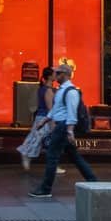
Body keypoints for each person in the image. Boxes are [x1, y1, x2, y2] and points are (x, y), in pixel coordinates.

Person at [27, 61, 98, 199]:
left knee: (52, 156)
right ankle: (93, 181)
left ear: (65, 75)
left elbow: (71, 113)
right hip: (62, 126)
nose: (55, 75)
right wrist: (45, 120)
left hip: (63, 127)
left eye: (58, 73)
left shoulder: (71, 92)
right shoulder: (61, 90)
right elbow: (56, 109)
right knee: (74, 157)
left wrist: (70, 130)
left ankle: (45, 188)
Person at [18, 66, 56, 172]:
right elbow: (50, 109)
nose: (55, 75)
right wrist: (52, 123)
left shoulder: (41, 89)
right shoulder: (48, 90)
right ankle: (26, 155)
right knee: (39, 140)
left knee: (36, 138)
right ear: (49, 76)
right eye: (54, 73)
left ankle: (26, 156)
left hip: (40, 117)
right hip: (45, 119)